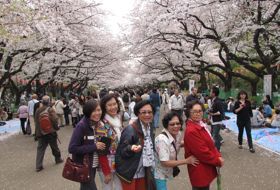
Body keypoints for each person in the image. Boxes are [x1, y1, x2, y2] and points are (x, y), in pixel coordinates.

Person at [115, 100, 155, 190]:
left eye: (149, 112)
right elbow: (122, 151)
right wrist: (131, 148)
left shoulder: (150, 127)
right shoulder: (130, 129)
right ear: (138, 114)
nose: (147, 115)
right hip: (129, 171)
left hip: (143, 169)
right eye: (143, 112)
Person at [184, 100, 224, 190]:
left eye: (200, 111)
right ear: (189, 113)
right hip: (199, 171)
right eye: (194, 112)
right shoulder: (191, 130)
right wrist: (217, 160)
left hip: (205, 168)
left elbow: (211, 144)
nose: (198, 114)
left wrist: (218, 155)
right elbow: (202, 152)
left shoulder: (200, 125)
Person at [154, 112, 199, 190]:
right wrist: (187, 161)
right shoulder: (162, 140)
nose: (176, 126)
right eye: (172, 124)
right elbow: (164, 162)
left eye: (178, 123)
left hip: (167, 171)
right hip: (159, 172)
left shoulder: (178, 134)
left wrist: (193, 142)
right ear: (166, 125)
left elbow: (176, 144)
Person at [68, 100, 107, 190]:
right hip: (84, 165)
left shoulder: (97, 124)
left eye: (99, 110)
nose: (97, 113)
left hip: (92, 164)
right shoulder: (81, 126)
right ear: (88, 111)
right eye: (94, 111)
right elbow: (72, 148)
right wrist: (94, 146)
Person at [99, 94, 123, 190]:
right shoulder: (102, 124)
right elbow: (101, 150)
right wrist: (106, 172)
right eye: (109, 105)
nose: (113, 107)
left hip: (119, 163)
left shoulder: (118, 119)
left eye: (114, 104)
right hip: (106, 165)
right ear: (104, 107)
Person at [35, 95, 63, 172]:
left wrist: (37, 133)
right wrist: (56, 128)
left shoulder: (38, 110)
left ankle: (38, 165)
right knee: (54, 147)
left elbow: (36, 122)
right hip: (50, 132)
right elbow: (54, 120)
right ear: (49, 101)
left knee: (40, 149)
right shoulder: (50, 110)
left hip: (41, 133)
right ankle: (58, 159)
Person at [208, 87, 224, 151]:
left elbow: (221, 112)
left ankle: (217, 150)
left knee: (215, 136)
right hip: (213, 121)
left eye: (211, 91)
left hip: (217, 122)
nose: (210, 93)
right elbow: (213, 110)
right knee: (212, 135)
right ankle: (215, 148)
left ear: (214, 93)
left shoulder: (218, 101)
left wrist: (212, 114)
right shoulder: (213, 100)